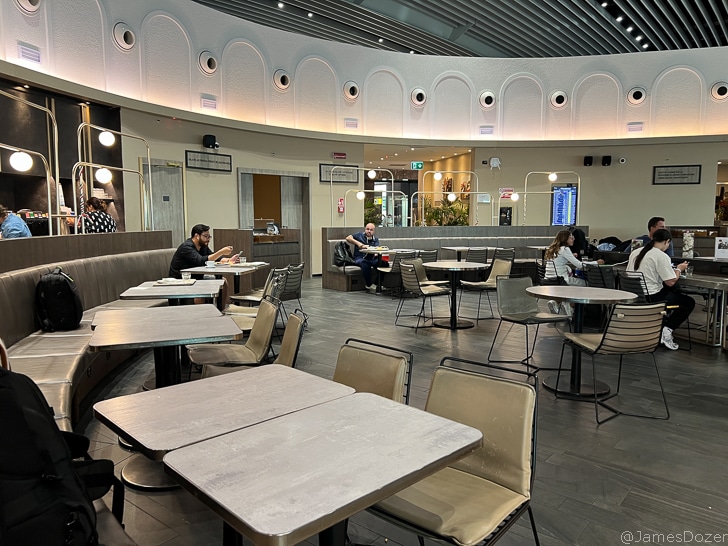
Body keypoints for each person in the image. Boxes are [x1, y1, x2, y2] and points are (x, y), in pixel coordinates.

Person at [627, 228, 694, 350]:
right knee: (688, 302)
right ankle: (666, 330)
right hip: (652, 296)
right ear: (667, 241)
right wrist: (679, 269)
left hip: (635, 295)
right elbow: (670, 281)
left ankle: (659, 326)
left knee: (673, 293)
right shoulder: (660, 256)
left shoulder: (635, 252)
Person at [168, 223, 238, 278]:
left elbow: (213, 257)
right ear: (197, 236)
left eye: (209, 237)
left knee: (223, 282)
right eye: (205, 236)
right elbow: (201, 261)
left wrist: (229, 260)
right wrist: (221, 252)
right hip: (181, 278)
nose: (208, 239)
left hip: (195, 277)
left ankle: (220, 297)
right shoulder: (186, 247)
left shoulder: (203, 246)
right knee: (214, 283)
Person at [346, 223, 382, 291]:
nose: (369, 231)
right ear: (365, 229)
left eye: (371, 230)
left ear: (374, 231)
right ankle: (369, 284)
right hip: (359, 258)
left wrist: (375, 253)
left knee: (384, 264)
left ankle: (377, 283)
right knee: (365, 263)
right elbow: (348, 238)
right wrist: (359, 244)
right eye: (367, 229)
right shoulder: (359, 235)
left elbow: (376, 249)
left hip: (371, 258)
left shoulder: (375, 240)